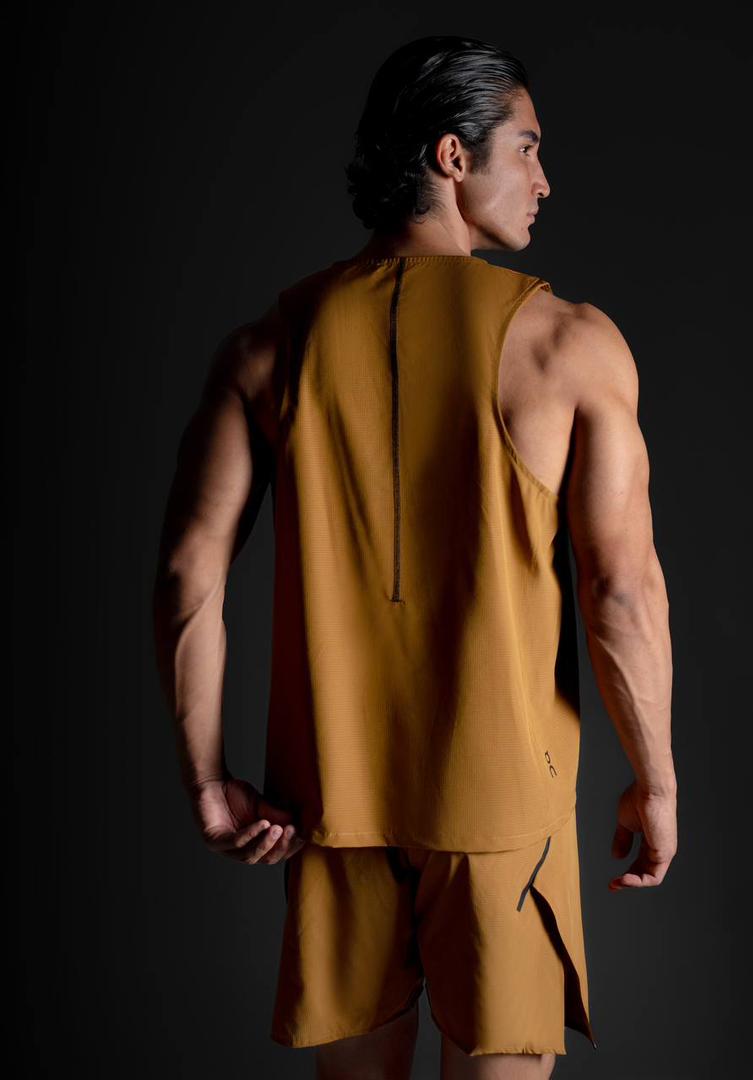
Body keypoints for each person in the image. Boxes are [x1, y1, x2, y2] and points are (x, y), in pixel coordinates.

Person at [152, 34, 677, 1080]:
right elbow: (619, 590)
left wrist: (207, 779)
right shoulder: (568, 344)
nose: (544, 179)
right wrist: (655, 781)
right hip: (503, 813)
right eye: (527, 147)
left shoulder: (267, 346)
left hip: (331, 809)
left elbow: (186, 575)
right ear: (451, 155)